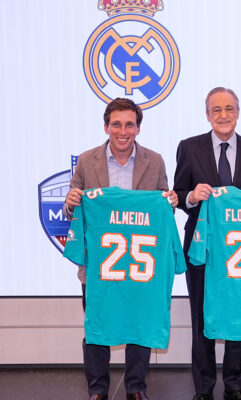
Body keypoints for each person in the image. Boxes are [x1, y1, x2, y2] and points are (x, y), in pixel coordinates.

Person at [64, 97, 178, 400]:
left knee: (139, 325)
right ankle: (97, 389)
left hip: (141, 265)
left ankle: (136, 387)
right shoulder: (88, 161)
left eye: (129, 124)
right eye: (116, 124)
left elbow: (162, 207)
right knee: (97, 325)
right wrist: (71, 202)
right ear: (106, 127)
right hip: (99, 266)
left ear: (138, 129)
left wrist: (171, 202)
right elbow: (71, 209)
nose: (123, 131)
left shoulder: (155, 161)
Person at [174, 87, 241, 400]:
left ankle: (235, 385)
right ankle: (203, 388)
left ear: (238, 113)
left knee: (236, 315)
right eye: (216, 110)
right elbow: (179, 193)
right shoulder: (189, 147)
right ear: (207, 115)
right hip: (201, 246)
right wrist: (190, 196)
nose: (223, 115)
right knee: (202, 316)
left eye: (229, 109)